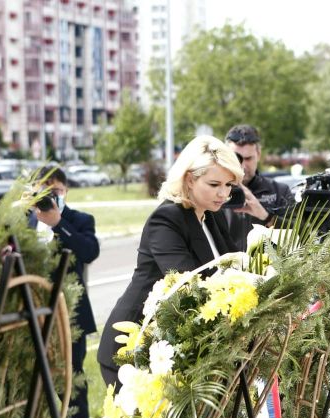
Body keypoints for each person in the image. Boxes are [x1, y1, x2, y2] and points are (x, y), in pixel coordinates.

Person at [97, 135, 244, 388]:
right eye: (214, 184)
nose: (224, 193)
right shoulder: (166, 219)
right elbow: (188, 285)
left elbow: (236, 269)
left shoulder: (212, 215)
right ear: (189, 178)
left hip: (180, 349)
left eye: (229, 185)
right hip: (134, 350)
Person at [29, 167, 99, 418]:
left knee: (74, 389)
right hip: (30, 318)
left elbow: (89, 251)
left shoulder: (80, 220)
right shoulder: (24, 223)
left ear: (65, 190)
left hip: (70, 318)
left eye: (54, 190)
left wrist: (58, 223)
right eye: (43, 190)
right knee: (30, 391)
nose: (49, 196)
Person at [224, 125, 295, 251]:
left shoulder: (280, 191)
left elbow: (298, 236)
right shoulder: (213, 192)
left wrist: (266, 216)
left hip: (269, 268)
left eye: (248, 158)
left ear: (259, 154)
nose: (243, 166)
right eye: (237, 158)